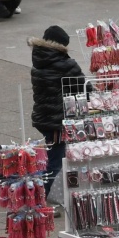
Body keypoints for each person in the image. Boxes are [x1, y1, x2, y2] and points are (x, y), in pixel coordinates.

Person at [29, 25, 84, 196]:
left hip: (43, 117)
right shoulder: (65, 64)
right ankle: (39, 198)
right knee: (54, 161)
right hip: (56, 121)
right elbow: (82, 86)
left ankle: (37, 193)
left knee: (49, 157)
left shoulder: (39, 60)